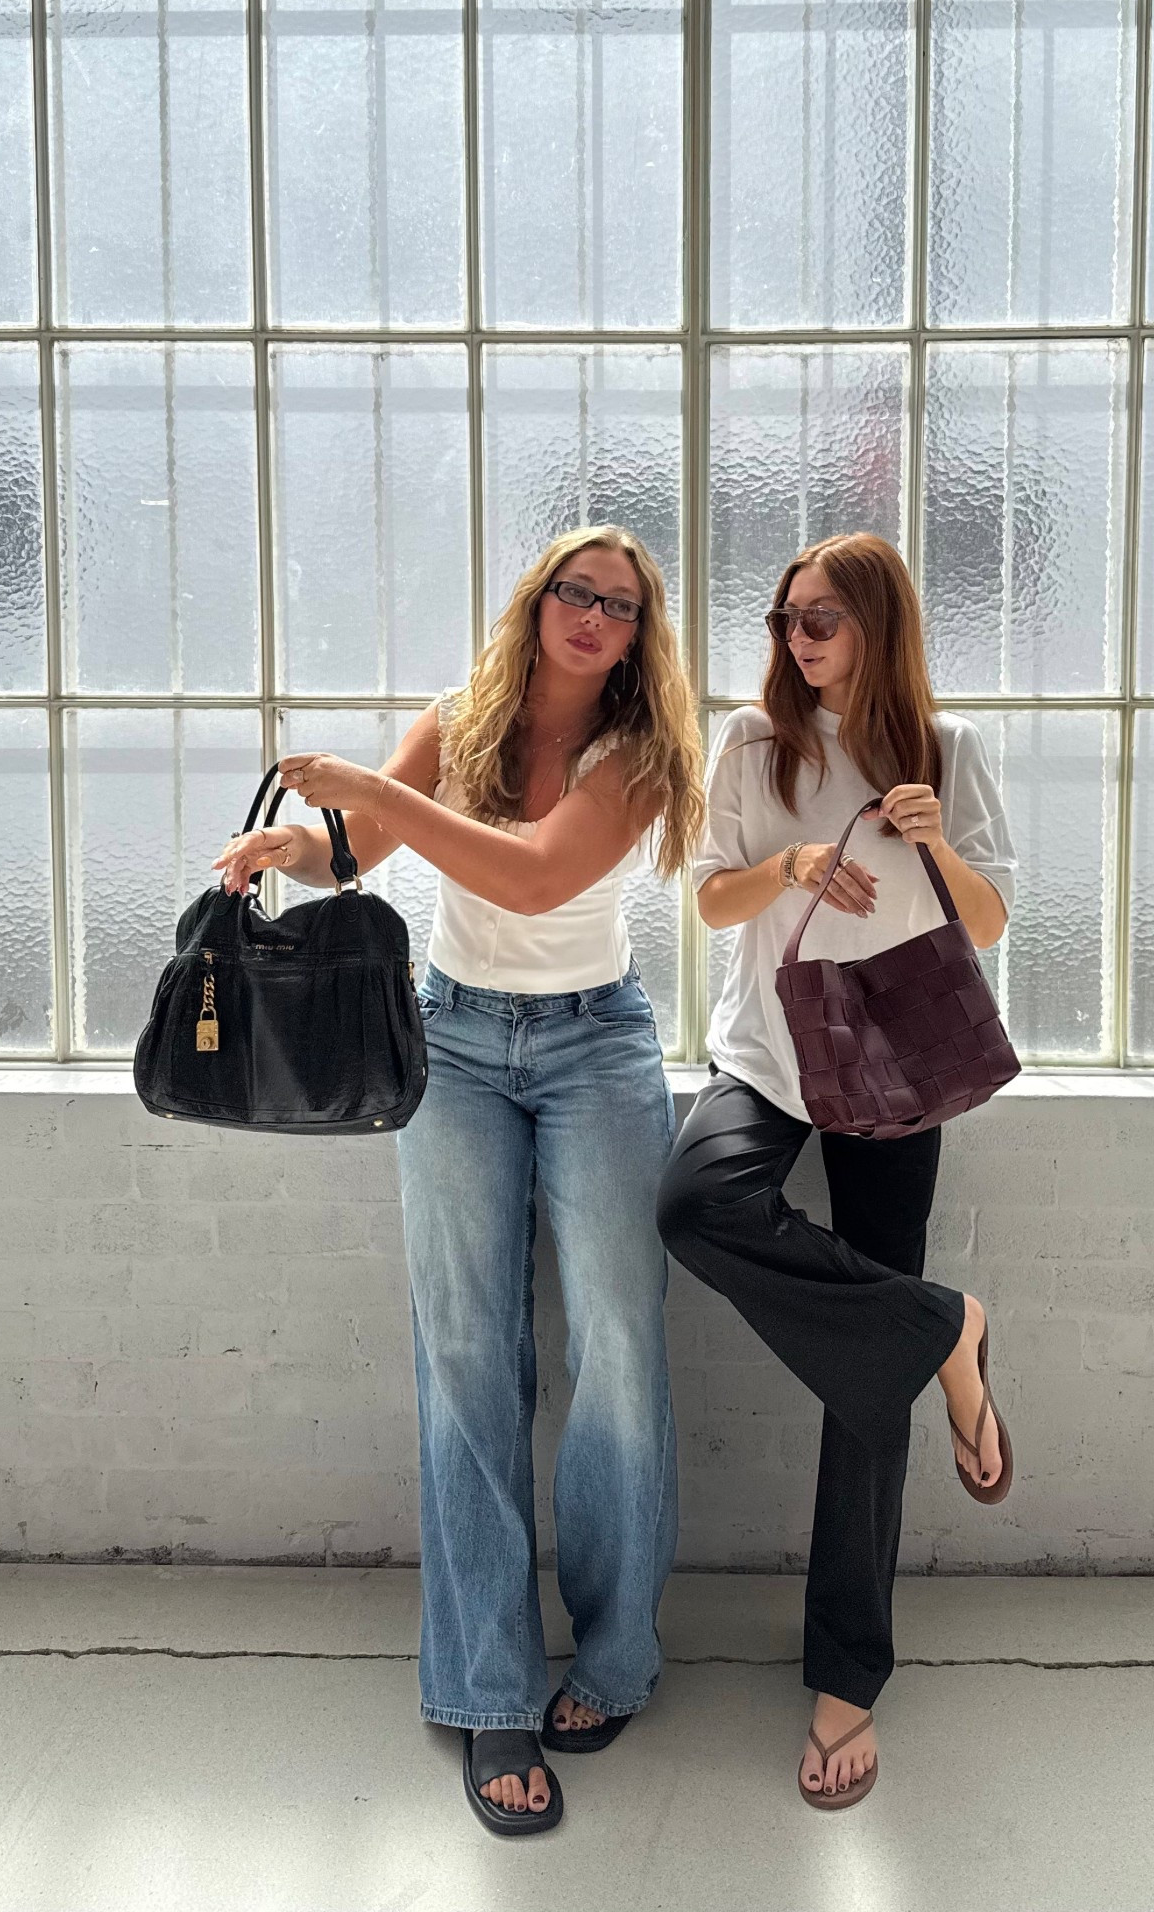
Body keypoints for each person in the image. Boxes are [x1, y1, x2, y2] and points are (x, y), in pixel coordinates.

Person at [212, 525, 703, 1837]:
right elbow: (355, 853)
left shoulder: (638, 754)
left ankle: (613, 1658)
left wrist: (375, 797)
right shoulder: (459, 720)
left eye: (620, 604)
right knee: (466, 1356)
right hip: (457, 1039)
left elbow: (532, 877)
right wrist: (290, 852)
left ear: (639, 635)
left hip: (595, 1045)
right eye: (574, 591)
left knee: (618, 1347)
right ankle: (490, 1688)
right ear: (538, 601)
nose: (592, 614)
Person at [655, 531, 1017, 1812]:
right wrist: (793, 865)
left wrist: (933, 842)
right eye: (785, 617)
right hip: (766, 1056)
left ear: (875, 621)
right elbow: (708, 902)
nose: (797, 638)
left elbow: (988, 921)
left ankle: (846, 1672)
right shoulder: (752, 743)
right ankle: (942, 1327)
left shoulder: (945, 748)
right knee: (694, 1203)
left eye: (820, 617)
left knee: (863, 1395)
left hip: (898, 1068)